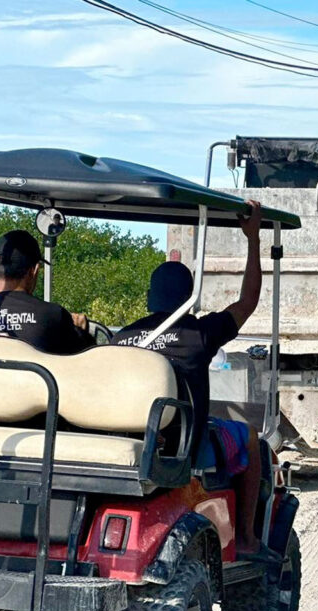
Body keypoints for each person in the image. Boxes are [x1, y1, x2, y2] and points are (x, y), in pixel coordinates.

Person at [113, 202, 265, 555]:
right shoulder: (198, 334)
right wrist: (253, 240)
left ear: (150, 298)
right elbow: (249, 301)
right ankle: (245, 537)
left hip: (139, 438)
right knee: (252, 438)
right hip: (188, 446)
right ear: (188, 298)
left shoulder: (124, 339)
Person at [0, 230, 94, 354]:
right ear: (34, 270)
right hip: (33, 389)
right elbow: (83, 369)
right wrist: (82, 333)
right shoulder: (54, 316)